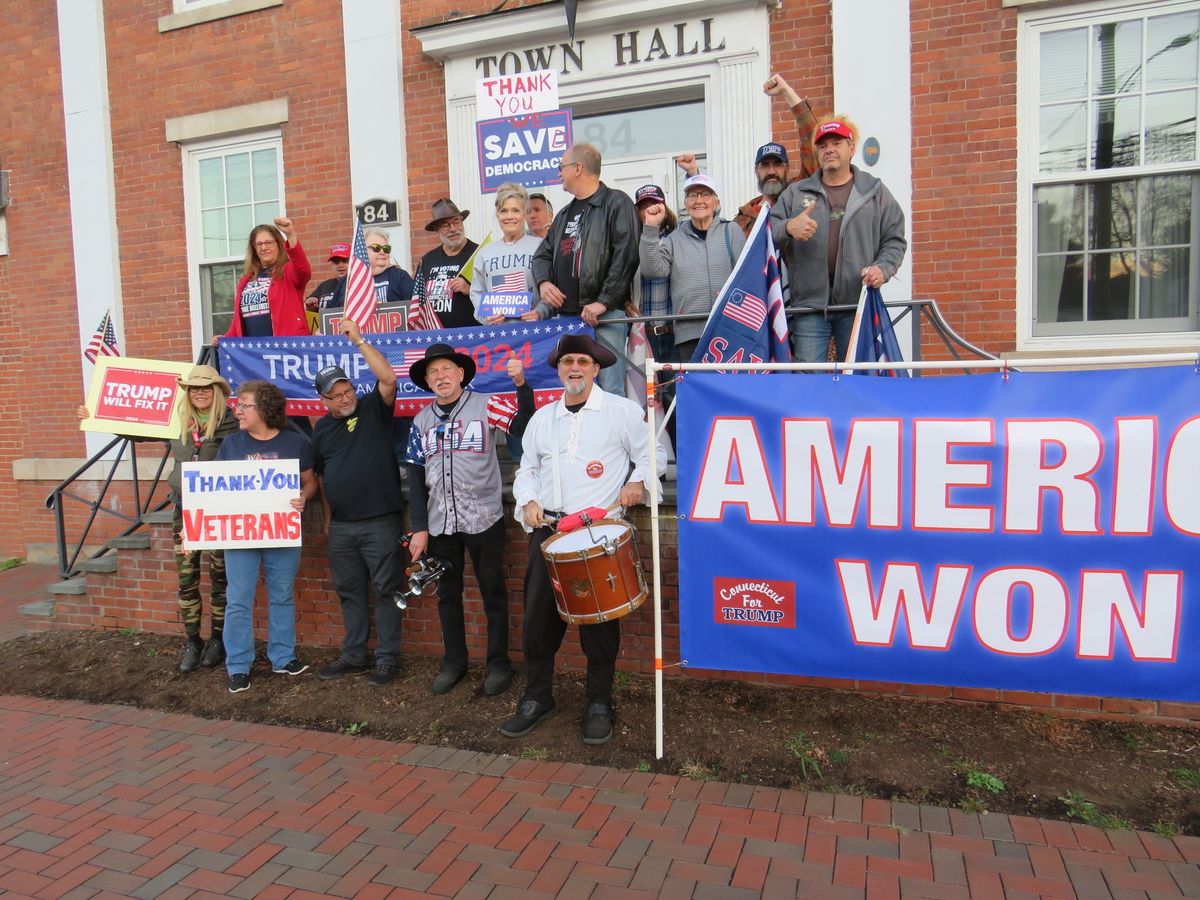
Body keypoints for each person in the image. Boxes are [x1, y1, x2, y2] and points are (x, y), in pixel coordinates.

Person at [502, 333, 664, 746]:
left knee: (598, 630)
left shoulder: (621, 412)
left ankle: (598, 702)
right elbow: (526, 470)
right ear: (559, 369)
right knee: (537, 625)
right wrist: (530, 499)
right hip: (548, 535)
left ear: (596, 369)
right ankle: (538, 698)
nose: (575, 368)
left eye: (583, 362)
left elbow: (654, 454)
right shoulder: (542, 418)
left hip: (596, 535)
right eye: (568, 361)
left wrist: (637, 482)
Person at [74, 365, 238, 673]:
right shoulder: (176, 420)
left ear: (216, 392)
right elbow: (137, 429)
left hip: (218, 510)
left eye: (205, 388)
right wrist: (96, 415)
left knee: (220, 578)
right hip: (185, 511)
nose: (199, 393)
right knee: (187, 579)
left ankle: (218, 639)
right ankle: (193, 641)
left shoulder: (230, 422)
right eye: (193, 388)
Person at [404, 344, 535, 696]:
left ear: (460, 374)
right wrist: (420, 527)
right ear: (427, 381)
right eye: (433, 372)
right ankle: (454, 662)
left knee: (492, 592)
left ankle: (498, 665)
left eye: (446, 369)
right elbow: (415, 477)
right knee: (447, 594)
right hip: (441, 523)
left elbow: (524, 425)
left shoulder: (485, 404)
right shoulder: (421, 421)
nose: (440, 376)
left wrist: (522, 384)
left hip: (484, 518)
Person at [311, 320, 407, 686]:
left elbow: (388, 379)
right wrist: (327, 519)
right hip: (342, 527)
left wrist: (360, 341)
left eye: (346, 389)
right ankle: (354, 655)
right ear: (324, 401)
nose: (344, 397)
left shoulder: (372, 408)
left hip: (380, 521)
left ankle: (386, 658)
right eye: (334, 394)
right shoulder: (321, 429)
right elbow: (320, 476)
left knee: (386, 589)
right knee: (349, 591)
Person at [770, 117, 907, 363]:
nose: (829, 149)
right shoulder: (795, 192)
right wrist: (789, 227)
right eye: (823, 146)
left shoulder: (874, 191)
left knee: (856, 380)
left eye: (837, 143)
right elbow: (768, 234)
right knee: (808, 381)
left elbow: (894, 240)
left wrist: (882, 269)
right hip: (809, 308)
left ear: (852, 148)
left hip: (856, 305)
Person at [216, 379, 318, 693]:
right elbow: (213, 489)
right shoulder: (231, 445)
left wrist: (304, 497)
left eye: (244, 405)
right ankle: (238, 665)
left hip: (281, 531)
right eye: (238, 404)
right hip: (241, 535)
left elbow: (311, 482)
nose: (238, 410)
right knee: (238, 600)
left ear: (264, 409)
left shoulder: (294, 443)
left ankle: (283, 657)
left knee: (281, 596)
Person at [530, 143, 640, 397]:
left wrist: (603, 301)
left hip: (605, 316)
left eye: (561, 166)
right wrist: (544, 283)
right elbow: (542, 255)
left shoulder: (617, 202)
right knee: (573, 389)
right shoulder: (564, 214)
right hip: (568, 319)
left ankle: (613, 439)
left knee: (611, 389)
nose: (558, 173)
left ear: (578, 168)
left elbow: (627, 255)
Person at [677, 74, 819, 237]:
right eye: (764, 165)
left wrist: (786, 92)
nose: (771, 171)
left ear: (788, 168)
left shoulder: (799, 194)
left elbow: (812, 142)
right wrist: (694, 174)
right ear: (756, 171)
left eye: (777, 164)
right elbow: (709, 223)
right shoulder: (744, 216)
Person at [638, 174, 747, 363]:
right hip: (689, 335)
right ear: (686, 203)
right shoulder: (674, 238)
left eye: (705, 194)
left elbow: (747, 276)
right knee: (697, 391)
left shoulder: (732, 231)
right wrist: (650, 228)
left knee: (730, 389)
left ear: (716, 202)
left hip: (730, 328)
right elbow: (652, 271)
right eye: (692, 195)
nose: (698, 201)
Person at [223, 217, 311, 338]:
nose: (264, 248)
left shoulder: (288, 272)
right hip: (253, 352)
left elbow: (303, 270)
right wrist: (224, 340)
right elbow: (238, 322)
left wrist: (290, 235)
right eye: (259, 244)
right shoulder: (246, 281)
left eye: (268, 242)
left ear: (278, 244)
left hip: (286, 349)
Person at [469, 182, 542, 325]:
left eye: (515, 210)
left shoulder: (540, 245)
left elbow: (552, 288)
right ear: (497, 214)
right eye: (504, 211)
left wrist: (541, 311)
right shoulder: (485, 253)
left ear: (524, 213)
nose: (509, 216)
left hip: (535, 333)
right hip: (499, 334)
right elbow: (477, 293)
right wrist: (485, 316)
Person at [409, 199, 479, 330]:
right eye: (445, 225)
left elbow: (495, 298)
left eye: (456, 222)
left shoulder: (479, 254)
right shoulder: (427, 260)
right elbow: (417, 300)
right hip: (436, 337)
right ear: (437, 230)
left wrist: (470, 289)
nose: (453, 229)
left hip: (472, 338)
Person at [328, 229, 415, 320]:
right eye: (376, 248)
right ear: (363, 250)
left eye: (386, 248)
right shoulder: (348, 280)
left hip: (392, 333)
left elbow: (416, 308)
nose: (382, 252)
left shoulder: (399, 276)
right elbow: (331, 314)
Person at [306, 243, 350, 313]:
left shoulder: (359, 285)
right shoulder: (324, 285)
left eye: (344, 261)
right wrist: (310, 305)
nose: (340, 265)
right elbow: (310, 308)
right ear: (331, 265)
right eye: (336, 262)